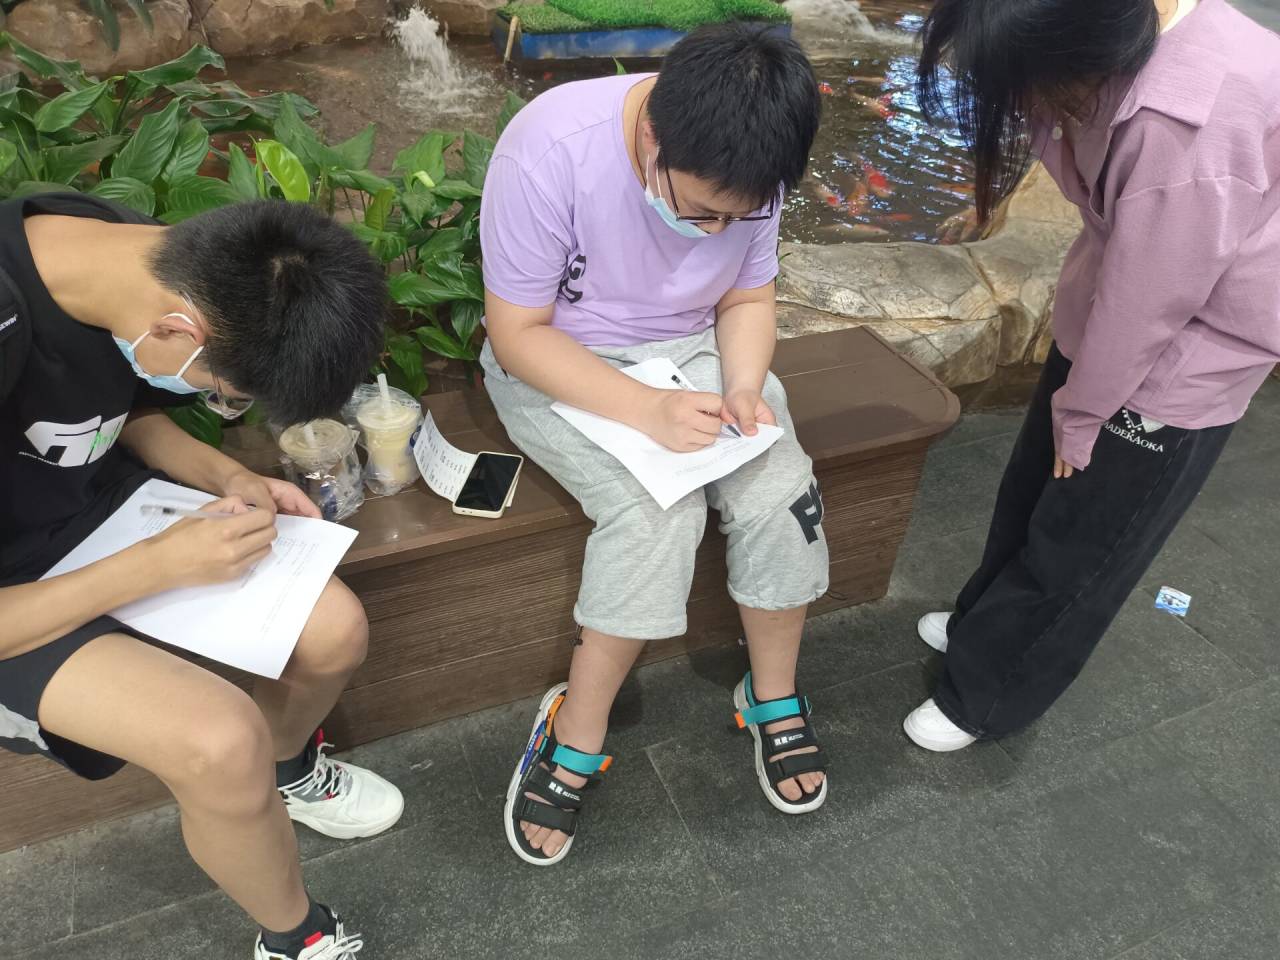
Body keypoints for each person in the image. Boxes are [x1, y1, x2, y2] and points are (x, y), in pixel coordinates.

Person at [0, 195, 404, 959]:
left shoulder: (131, 250)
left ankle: (286, 771)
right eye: (225, 394)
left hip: (90, 506)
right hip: (16, 594)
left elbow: (125, 410)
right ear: (178, 330)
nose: (216, 401)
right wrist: (154, 566)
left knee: (335, 630)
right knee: (218, 743)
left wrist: (224, 474)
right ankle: (295, 936)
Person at [480, 23, 829, 866]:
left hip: (696, 349)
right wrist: (644, 408)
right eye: (701, 211)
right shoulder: (548, 150)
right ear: (650, 138)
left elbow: (747, 298)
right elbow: (518, 334)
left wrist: (743, 384)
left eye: (737, 218)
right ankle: (576, 723)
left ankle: (772, 694)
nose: (714, 232)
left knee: (781, 488)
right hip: (563, 359)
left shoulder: (754, 164)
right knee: (654, 514)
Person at [906, 0, 1280, 751]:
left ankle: (990, 693)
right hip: (1115, 301)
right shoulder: (1115, 35)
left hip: (1189, 346)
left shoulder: (1186, 131)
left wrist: (1082, 417)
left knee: (1083, 538)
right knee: (1032, 488)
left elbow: (1152, 301)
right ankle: (983, 622)